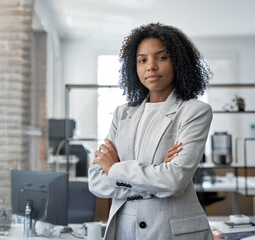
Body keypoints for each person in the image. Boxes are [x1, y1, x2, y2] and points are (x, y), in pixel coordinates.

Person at [88, 23, 213, 240]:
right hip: (125, 230)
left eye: (161, 58)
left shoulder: (194, 111)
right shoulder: (122, 114)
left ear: (179, 63)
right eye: (142, 60)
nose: (151, 66)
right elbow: (96, 180)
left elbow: (174, 180)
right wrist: (156, 173)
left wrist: (115, 169)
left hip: (171, 232)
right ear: (133, 67)